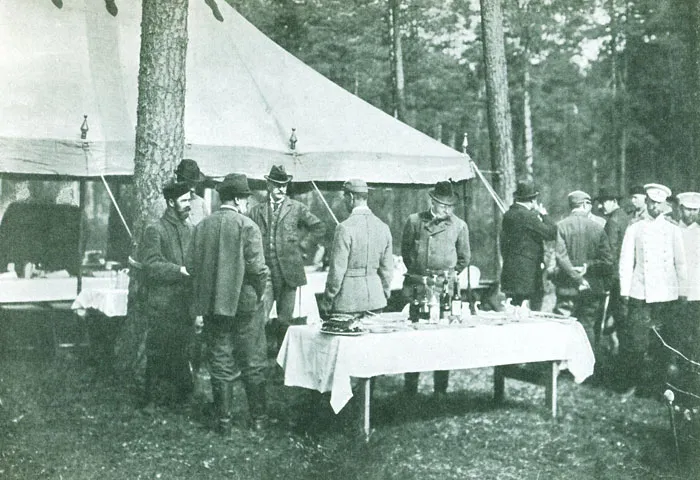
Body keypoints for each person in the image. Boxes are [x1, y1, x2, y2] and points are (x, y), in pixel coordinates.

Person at [186, 174, 271, 434]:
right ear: (237, 199)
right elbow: (258, 269)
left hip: (213, 304)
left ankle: (224, 422)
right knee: (253, 359)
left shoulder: (202, 227)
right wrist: (260, 293)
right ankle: (258, 420)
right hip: (245, 304)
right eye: (245, 198)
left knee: (220, 359)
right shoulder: (248, 227)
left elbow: (190, 266)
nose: (246, 203)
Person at [401, 181, 470, 397]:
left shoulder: (459, 226)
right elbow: (406, 252)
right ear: (432, 201)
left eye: (450, 206)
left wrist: (446, 275)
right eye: (443, 205)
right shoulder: (414, 221)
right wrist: (419, 271)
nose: (447, 210)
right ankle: (410, 387)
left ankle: (440, 389)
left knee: (442, 339)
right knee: (414, 339)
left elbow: (464, 258)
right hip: (419, 287)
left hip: (444, 290)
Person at [618, 183, 687, 396]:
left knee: (662, 343)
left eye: (659, 203)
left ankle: (660, 386)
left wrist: (682, 290)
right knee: (635, 342)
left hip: (667, 294)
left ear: (664, 204)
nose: (654, 207)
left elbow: (681, 263)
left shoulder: (673, 230)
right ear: (646, 202)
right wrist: (624, 291)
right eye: (651, 202)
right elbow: (626, 261)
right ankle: (632, 384)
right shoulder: (635, 228)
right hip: (640, 292)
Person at [248, 165, 325, 348]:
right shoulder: (256, 211)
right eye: (277, 185)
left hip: (289, 274)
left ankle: (282, 366)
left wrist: (302, 245)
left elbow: (319, 226)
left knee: (285, 321)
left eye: (284, 185)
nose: (281, 189)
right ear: (268, 185)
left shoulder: (296, 208)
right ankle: (258, 362)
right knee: (260, 318)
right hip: (264, 272)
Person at [139, 181, 194, 408]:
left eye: (190, 200)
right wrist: (179, 270)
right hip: (162, 303)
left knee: (182, 350)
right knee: (157, 351)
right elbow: (151, 264)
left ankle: (182, 398)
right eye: (184, 201)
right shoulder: (155, 230)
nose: (188, 205)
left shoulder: (189, 229)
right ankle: (150, 400)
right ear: (171, 203)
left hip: (184, 302)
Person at [553, 191, 613, 361]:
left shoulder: (561, 226)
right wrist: (586, 269)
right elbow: (607, 260)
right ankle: (588, 366)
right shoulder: (598, 227)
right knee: (587, 324)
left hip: (566, 285)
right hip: (591, 286)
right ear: (586, 205)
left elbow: (560, 256)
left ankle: (559, 364)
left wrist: (574, 275)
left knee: (564, 323)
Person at [320, 179, 393, 315]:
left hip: (348, 301)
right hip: (376, 299)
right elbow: (387, 270)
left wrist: (328, 299)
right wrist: (384, 292)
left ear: (351, 197)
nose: (344, 201)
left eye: (345, 197)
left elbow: (337, 270)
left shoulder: (344, 228)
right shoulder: (383, 228)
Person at [500, 181, 557, 309]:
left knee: (513, 311)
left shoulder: (508, 215)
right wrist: (544, 214)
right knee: (532, 311)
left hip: (510, 272)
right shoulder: (528, 217)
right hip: (528, 275)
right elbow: (551, 233)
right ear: (533, 200)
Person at [596, 186, 630, 352]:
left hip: (614, 277)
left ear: (614, 201)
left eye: (603, 202)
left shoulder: (613, 222)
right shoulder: (625, 217)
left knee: (613, 317)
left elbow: (609, 254)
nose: (600, 206)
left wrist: (606, 278)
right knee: (622, 318)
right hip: (626, 276)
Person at [676, 192, 700, 376]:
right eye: (688, 209)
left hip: (696, 294)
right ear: (680, 209)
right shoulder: (672, 231)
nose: (691, 213)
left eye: (695, 210)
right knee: (678, 335)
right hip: (675, 293)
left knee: (695, 336)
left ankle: (692, 375)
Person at [175, 158, 210, 226]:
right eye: (187, 183)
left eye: (193, 184)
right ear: (178, 180)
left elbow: (206, 228)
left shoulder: (201, 202)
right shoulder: (166, 203)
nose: (191, 188)